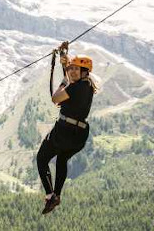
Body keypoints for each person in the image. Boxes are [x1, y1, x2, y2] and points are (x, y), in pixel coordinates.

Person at [37, 43, 98, 214]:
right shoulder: (87, 86)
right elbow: (72, 77)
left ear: (84, 72)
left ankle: (50, 195)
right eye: (71, 68)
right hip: (79, 135)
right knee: (62, 159)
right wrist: (65, 56)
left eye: (76, 69)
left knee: (42, 158)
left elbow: (56, 98)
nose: (72, 71)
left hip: (64, 131)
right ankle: (57, 194)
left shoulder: (75, 86)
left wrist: (64, 79)